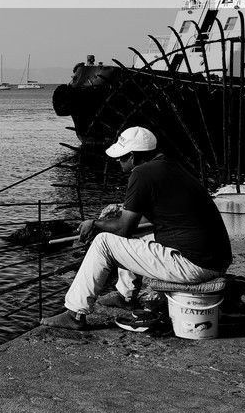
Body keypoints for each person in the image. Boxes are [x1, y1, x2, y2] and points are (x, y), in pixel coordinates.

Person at [40, 126, 232, 330]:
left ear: (133, 156)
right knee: (137, 237)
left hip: (193, 266)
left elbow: (123, 228)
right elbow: (141, 221)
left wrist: (94, 224)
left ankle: (74, 314)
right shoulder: (169, 166)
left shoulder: (141, 173)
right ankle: (126, 296)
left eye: (121, 157)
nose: (118, 161)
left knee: (103, 242)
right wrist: (124, 210)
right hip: (215, 260)